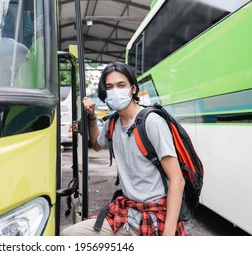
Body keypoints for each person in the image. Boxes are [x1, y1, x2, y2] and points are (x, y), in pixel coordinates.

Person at [61, 62, 186, 236]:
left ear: (133, 89)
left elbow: (177, 180)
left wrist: (169, 233)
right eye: (109, 87)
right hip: (126, 211)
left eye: (121, 85)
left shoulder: (152, 122)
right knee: (70, 235)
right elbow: (97, 145)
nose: (115, 91)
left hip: (154, 214)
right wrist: (91, 117)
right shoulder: (113, 123)